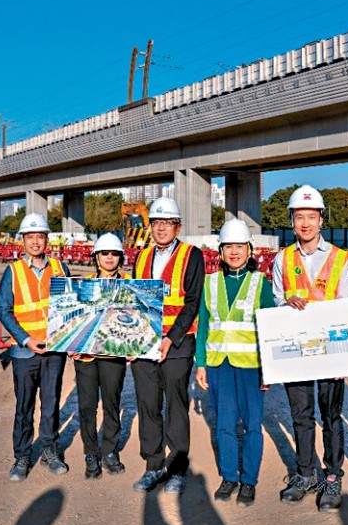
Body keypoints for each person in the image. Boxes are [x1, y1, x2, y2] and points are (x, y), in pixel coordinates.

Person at [270, 185, 348, 511]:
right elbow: (277, 299)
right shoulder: (283, 258)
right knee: (301, 415)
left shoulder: (339, 259)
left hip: (331, 350)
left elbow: (345, 305)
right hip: (297, 350)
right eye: (299, 217)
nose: (305, 223)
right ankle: (305, 472)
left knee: (331, 416)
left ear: (321, 220)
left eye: (311, 217)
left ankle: (332, 477)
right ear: (292, 221)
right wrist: (284, 303)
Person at [195, 219, 275, 507]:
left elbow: (269, 327)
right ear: (221, 250)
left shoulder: (259, 283)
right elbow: (204, 325)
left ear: (249, 249)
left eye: (239, 246)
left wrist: (269, 369)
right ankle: (229, 475)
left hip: (251, 365)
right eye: (228, 246)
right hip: (220, 365)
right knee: (225, 424)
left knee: (252, 425)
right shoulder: (211, 282)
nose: (234, 251)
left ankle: (249, 480)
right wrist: (201, 363)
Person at [130, 197, 205, 495]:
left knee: (175, 406)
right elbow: (133, 300)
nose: (161, 229)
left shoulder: (191, 255)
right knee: (147, 404)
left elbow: (192, 302)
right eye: (156, 223)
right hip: (144, 343)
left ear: (178, 226)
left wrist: (170, 338)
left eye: (167, 223)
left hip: (178, 343)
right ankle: (153, 465)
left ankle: (176, 468)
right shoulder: (141, 257)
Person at [0, 212, 69, 482]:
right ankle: (22, 456)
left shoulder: (60, 268)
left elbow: (71, 308)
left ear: (47, 239)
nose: (36, 242)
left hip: (54, 351)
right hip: (25, 352)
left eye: (40, 236)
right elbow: (3, 310)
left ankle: (50, 450)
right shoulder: (13, 271)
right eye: (30, 237)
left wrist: (69, 340)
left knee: (50, 403)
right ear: (22, 241)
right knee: (24, 406)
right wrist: (26, 339)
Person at [71, 232, 129, 479]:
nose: (109, 258)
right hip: (85, 356)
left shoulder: (129, 284)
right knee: (86, 406)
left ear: (120, 257)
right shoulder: (84, 285)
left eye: (114, 253)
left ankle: (110, 451)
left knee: (112, 404)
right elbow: (73, 317)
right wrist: (70, 342)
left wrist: (138, 346)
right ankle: (90, 453)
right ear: (96, 257)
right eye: (104, 253)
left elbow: (138, 320)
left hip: (113, 357)